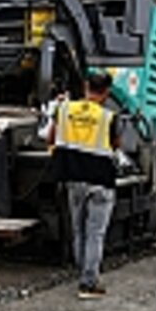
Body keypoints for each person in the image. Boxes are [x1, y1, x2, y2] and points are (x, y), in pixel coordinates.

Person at [46, 72, 121, 298]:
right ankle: (88, 283)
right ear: (106, 92)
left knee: (79, 230)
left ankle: (83, 272)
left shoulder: (65, 109)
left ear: (86, 87)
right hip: (100, 182)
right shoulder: (109, 117)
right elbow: (116, 145)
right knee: (95, 233)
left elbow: (50, 138)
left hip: (73, 178)